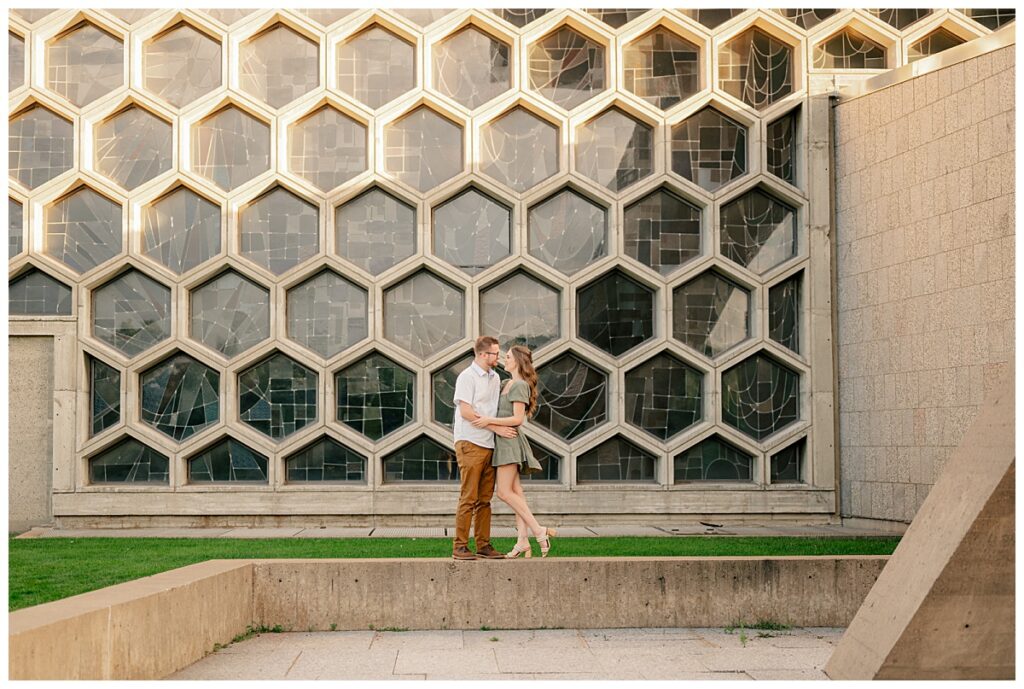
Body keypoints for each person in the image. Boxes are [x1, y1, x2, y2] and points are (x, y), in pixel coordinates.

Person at [471, 344, 557, 558]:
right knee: (516, 492)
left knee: (503, 492)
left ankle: (539, 531)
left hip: (509, 442)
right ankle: (522, 541)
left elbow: (518, 419)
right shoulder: (507, 383)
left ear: (518, 360)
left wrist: (489, 421)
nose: (504, 360)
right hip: (502, 441)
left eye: (507, 357)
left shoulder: (519, 386)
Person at [451, 336, 516, 561]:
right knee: (468, 497)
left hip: (489, 442)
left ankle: (483, 545)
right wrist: (496, 427)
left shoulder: (495, 377)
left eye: (498, 354)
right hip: (470, 442)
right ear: (481, 354)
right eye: (494, 354)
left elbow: (492, 410)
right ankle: (459, 547)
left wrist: (493, 428)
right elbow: (466, 412)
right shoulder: (466, 377)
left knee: (484, 500)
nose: (497, 357)